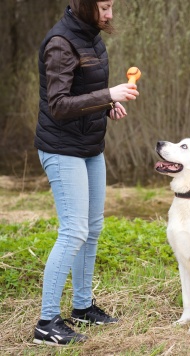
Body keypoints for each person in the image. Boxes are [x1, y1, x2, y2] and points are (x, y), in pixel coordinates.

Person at [33, 0, 139, 346]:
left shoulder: (92, 37)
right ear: (83, 5)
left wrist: (107, 104)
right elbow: (59, 104)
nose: (109, 14)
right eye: (104, 7)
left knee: (92, 228)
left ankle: (82, 308)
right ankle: (47, 322)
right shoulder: (60, 43)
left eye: (111, 6)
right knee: (73, 230)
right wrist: (108, 93)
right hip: (61, 149)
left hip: (90, 147)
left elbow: (84, 91)